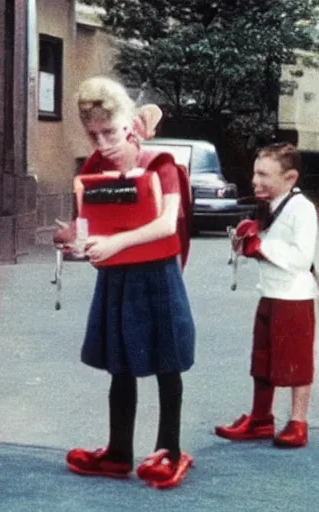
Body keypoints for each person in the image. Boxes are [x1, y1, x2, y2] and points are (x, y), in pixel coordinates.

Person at [55, 76, 195, 489]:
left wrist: (114, 242)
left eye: (110, 132)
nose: (101, 143)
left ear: (130, 124)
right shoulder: (93, 168)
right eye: (92, 134)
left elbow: (167, 224)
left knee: (167, 362)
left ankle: (168, 448)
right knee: (121, 363)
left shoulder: (160, 163)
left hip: (158, 275)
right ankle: (119, 452)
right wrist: (73, 243)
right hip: (118, 277)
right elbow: (85, 225)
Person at [215, 142, 318, 448]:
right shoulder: (269, 206)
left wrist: (261, 246)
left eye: (263, 175)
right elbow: (267, 249)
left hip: (293, 298)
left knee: (296, 362)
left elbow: (301, 258)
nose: (255, 181)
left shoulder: (302, 209)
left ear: (290, 178)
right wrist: (247, 239)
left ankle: (297, 421)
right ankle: (261, 418)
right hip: (270, 294)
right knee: (262, 358)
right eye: (254, 173)